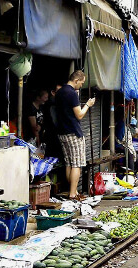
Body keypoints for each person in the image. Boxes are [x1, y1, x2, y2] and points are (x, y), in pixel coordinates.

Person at [54, 70, 96, 199]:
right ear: (76, 80)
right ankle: (73, 193)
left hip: (62, 132)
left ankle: (72, 191)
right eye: (81, 83)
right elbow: (79, 115)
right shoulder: (71, 94)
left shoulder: (59, 92)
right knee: (76, 163)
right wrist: (88, 105)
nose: (81, 86)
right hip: (73, 132)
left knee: (69, 163)